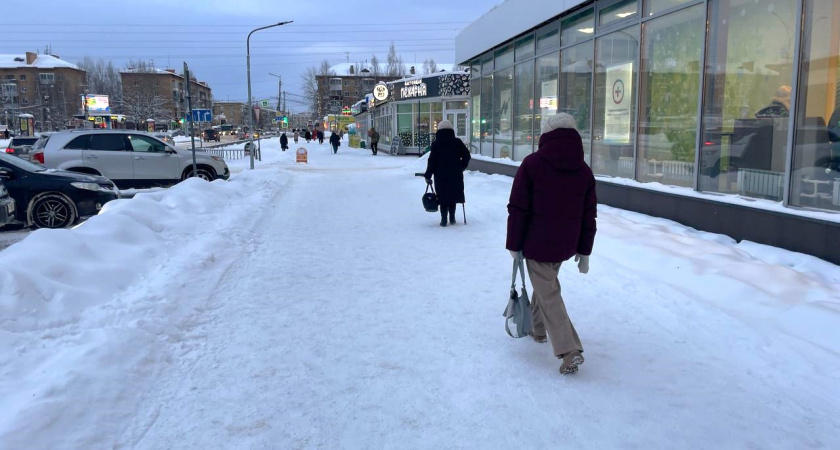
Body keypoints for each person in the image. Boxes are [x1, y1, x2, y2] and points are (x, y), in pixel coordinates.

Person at [505, 113, 597, 375]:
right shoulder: (584, 171)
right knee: (544, 287)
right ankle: (537, 329)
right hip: (565, 244)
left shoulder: (532, 164)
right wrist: (584, 250)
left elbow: (518, 208)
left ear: (546, 134)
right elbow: (589, 213)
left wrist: (514, 243)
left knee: (549, 293)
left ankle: (569, 350)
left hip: (537, 243)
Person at [423, 120, 471, 227]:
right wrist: (461, 167)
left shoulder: (436, 144)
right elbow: (467, 156)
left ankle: (444, 219)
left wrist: (428, 174)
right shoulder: (457, 142)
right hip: (455, 174)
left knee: (442, 196)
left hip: (440, 175)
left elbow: (432, 161)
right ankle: (452, 218)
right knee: (452, 195)